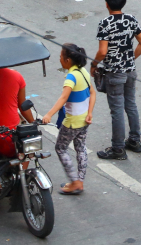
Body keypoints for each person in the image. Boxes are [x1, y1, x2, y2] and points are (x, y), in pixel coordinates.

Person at [94, 0, 141, 160]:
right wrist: (130, 58)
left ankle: (118, 148)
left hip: (114, 73)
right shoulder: (131, 19)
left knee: (116, 110)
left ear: (107, 4)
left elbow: (103, 51)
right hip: (130, 70)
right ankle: (134, 140)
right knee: (130, 105)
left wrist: (94, 64)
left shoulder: (106, 23)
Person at [41, 44, 96, 195]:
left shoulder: (71, 76)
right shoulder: (83, 72)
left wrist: (49, 114)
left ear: (68, 60)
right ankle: (80, 181)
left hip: (72, 122)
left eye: (60, 57)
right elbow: (93, 93)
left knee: (60, 148)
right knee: (81, 148)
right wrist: (90, 112)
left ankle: (74, 182)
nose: (59, 59)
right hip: (84, 120)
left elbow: (63, 97)